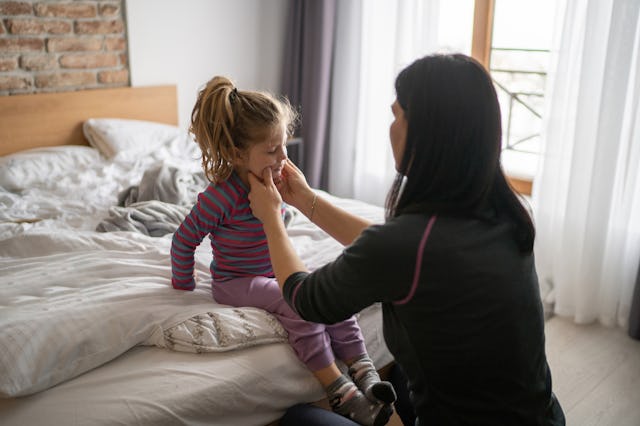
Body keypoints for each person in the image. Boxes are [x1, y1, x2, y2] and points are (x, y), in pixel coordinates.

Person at [247, 53, 566, 425]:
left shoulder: (408, 242)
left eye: (397, 114)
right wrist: (304, 200)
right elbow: (393, 247)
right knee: (397, 376)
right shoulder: (503, 214)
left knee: (300, 420)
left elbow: (307, 298)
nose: (391, 126)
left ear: (427, 132)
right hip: (540, 417)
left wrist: (271, 218)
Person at [170, 76, 396, 426]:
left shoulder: (278, 182)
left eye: (284, 146)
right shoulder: (220, 197)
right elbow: (184, 238)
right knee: (299, 305)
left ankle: (364, 370)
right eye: (271, 150)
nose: (283, 158)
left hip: (272, 268)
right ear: (236, 154)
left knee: (330, 293)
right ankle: (337, 387)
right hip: (236, 280)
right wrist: (183, 282)